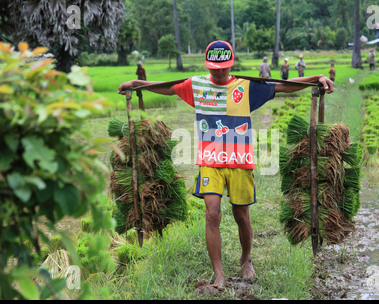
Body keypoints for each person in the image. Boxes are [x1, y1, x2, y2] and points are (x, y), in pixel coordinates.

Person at [118, 40, 334, 289]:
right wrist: (136, 84)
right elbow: (168, 88)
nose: (218, 72)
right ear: (207, 66)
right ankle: (218, 273)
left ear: (230, 65)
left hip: (240, 161)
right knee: (212, 214)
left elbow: (284, 86)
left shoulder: (247, 87)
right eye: (213, 69)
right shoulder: (196, 85)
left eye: (222, 68)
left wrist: (317, 77)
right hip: (210, 161)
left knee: (241, 214)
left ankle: (245, 260)